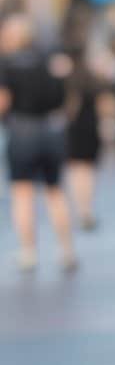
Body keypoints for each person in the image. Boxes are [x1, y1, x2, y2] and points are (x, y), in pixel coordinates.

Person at [0, 14, 77, 272]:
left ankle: (29, 251)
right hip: (51, 129)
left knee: (22, 193)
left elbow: (3, 101)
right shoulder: (49, 61)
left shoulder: (7, 64)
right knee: (55, 191)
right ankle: (67, 250)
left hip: (22, 130)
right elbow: (66, 96)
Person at [63, 43, 108, 229]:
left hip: (74, 129)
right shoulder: (94, 78)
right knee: (89, 170)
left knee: (75, 170)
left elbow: (70, 108)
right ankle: (88, 209)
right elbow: (105, 104)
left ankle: (80, 209)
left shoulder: (69, 79)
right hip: (92, 127)